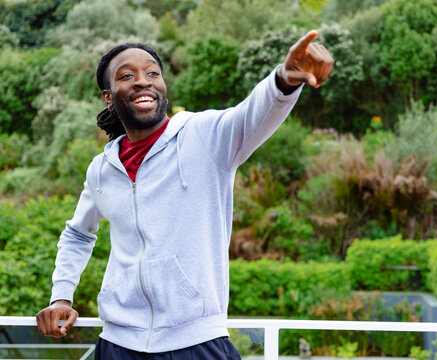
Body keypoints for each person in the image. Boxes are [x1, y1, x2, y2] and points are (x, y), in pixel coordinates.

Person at [35, 30, 333, 359]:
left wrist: (284, 80)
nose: (142, 81)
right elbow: (77, 234)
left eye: (152, 73)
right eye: (126, 75)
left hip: (197, 342)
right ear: (109, 96)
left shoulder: (204, 137)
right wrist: (61, 295)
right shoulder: (101, 169)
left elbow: (251, 116)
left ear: (163, 86)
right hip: (118, 343)